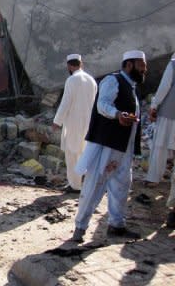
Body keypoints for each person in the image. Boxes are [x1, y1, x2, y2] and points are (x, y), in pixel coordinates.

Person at [71, 50, 146, 243]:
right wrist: (117, 114)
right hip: (108, 145)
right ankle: (80, 228)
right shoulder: (113, 81)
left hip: (124, 149)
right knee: (95, 184)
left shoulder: (133, 87)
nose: (144, 69)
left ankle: (116, 225)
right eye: (141, 65)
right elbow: (102, 104)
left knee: (121, 186)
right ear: (129, 65)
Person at [52, 54, 97, 193]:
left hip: (74, 123)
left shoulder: (72, 80)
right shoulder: (91, 80)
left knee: (72, 154)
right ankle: (87, 184)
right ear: (81, 64)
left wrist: (57, 121)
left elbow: (66, 102)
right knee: (86, 153)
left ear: (69, 66)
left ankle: (75, 185)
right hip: (89, 122)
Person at [145, 54, 175, 187]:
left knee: (160, 145)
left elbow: (164, 87)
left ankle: (153, 178)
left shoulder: (173, 64)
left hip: (170, 111)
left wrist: (154, 106)